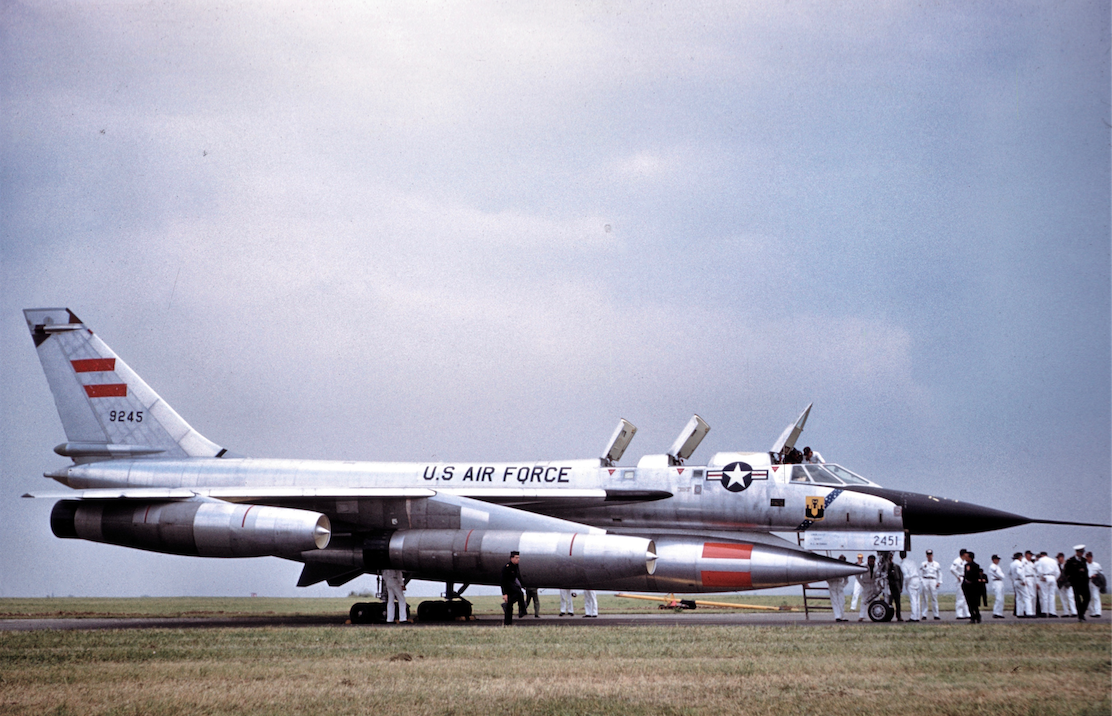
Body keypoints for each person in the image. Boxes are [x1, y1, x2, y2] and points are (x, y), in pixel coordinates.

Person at [1062, 545, 1091, 622]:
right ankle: (1080, 615)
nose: (1082, 553)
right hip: (1076, 582)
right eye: (1080, 552)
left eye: (1082, 552)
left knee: (1087, 598)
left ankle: (1081, 612)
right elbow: (1066, 571)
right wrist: (1071, 579)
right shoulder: (1071, 560)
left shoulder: (1084, 560)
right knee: (1077, 599)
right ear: (1077, 552)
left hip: (1084, 582)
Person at [501, 551, 526, 626]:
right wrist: (504, 593)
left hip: (513, 586)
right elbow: (503, 581)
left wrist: (523, 585)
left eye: (518, 558)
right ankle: (522, 610)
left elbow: (517, 577)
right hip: (508, 587)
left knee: (510, 604)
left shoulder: (516, 566)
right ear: (511, 558)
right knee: (519, 594)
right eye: (516, 558)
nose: (518, 559)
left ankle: (508, 622)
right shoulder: (507, 567)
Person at [961, 551, 984, 624]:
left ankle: (977, 615)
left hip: (973, 586)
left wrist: (969, 570)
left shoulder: (975, 565)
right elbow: (965, 575)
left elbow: (975, 576)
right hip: (967, 586)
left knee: (974, 602)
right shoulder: (966, 565)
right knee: (969, 602)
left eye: (967, 556)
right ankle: (972, 617)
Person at [1035, 551, 1060, 617]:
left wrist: (1041, 577)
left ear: (1041, 555)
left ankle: (1044, 612)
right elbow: (1058, 572)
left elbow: (1039, 570)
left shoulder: (1041, 560)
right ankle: (1052, 612)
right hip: (1052, 577)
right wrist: (1055, 578)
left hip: (1045, 577)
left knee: (1044, 595)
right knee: (1051, 596)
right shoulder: (1053, 561)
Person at [920, 549, 942, 620]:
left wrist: (939, 582)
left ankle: (936, 614)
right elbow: (920, 573)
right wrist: (922, 581)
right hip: (925, 579)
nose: (929, 556)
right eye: (928, 554)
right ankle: (924, 614)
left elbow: (939, 573)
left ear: (932, 555)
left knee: (934, 598)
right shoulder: (923, 564)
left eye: (930, 554)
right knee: (925, 598)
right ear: (926, 555)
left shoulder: (936, 564)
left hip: (933, 580)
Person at [857, 555, 880, 621]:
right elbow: (857, 575)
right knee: (864, 600)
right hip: (866, 584)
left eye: (872, 561)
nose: (871, 562)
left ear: (874, 560)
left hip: (874, 584)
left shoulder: (877, 566)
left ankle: (876, 615)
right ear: (867, 560)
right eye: (870, 561)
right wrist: (862, 584)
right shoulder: (863, 565)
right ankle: (861, 616)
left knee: (876, 600)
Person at [901, 550, 922, 621]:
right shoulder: (912, 562)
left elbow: (906, 576)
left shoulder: (903, 564)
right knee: (917, 599)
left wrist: (905, 584)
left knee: (913, 600)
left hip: (911, 580)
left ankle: (913, 617)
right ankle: (917, 616)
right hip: (917, 580)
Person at [827, 556, 849, 621]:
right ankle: (837, 616)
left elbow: (846, 579)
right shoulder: (833, 567)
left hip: (839, 584)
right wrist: (830, 584)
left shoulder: (845, 569)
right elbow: (827, 577)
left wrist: (842, 585)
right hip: (833, 583)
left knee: (842, 601)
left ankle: (842, 616)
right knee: (835, 601)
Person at [951, 549, 971, 619]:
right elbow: (952, 569)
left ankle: (967, 613)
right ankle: (959, 614)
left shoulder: (965, 562)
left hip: (966, 578)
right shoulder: (957, 561)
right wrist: (958, 576)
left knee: (966, 597)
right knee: (960, 597)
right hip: (960, 579)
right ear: (963, 554)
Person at [1009, 552, 1030, 617]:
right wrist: (1023, 580)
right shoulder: (1019, 563)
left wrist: (1013, 580)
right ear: (1020, 557)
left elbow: (1009, 573)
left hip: (1015, 581)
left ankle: (1019, 613)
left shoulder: (1012, 564)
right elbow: (1019, 572)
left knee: (1019, 598)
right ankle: (1029, 612)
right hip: (1020, 581)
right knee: (1027, 597)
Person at [887, 552, 904, 621]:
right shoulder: (885, 567)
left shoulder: (896, 567)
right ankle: (888, 615)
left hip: (896, 585)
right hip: (889, 585)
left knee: (897, 602)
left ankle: (898, 616)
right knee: (889, 602)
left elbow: (901, 577)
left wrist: (901, 586)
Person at [1085, 552, 1103, 618]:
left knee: (1096, 597)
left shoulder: (1097, 565)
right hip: (1087, 582)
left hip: (1095, 582)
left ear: (1091, 557)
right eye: (1087, 557)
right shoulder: (1084, 565)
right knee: (1088, 598)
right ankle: (1092, 612)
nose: (1088, 558)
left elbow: (1101, 573)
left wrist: (1096, 575)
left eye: (1089, 557)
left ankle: (1098, 612)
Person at [1023, 551, 1039, 617]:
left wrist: (1037, 582)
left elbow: (1035, 573)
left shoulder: (1031, 563)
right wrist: (1024, 580)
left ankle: (1032, 611)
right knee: (1029, 596)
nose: (1031, 556)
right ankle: (1027, 611)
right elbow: (1022, 572)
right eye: (1030, 555)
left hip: (1032, 579)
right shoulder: (1023, 562)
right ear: (1027, 555)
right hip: (1027, 578)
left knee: (1033, 596)